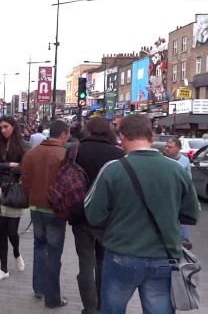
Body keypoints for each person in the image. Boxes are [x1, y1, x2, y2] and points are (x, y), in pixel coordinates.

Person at [85, 115, 200, 314]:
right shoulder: (176, 170)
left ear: (122, 136)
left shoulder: (112, 170)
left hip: (122, 254)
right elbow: (192, 214)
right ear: (151, 135)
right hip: (164, 256)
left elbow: (93, 214)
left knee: (111, 309)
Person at [71, 117, 124, 314]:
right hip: (108, 217)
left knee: (85, 263)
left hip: (80, 212)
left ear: (88, 130)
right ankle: (102, 304)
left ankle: (90, 308)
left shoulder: (75, 150)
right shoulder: (118, 153)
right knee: (104, 261)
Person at [21, 120, 70, 308]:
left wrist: (30, 197)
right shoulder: (64, 155)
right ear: (63, 135)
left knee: (39, 247)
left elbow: (24, 181)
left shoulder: (31, 154)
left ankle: (39, 288)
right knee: (54, 253)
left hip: (35, 208)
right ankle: (53, 297)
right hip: (55, 210)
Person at [0, 116, 28, 282]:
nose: (2, 130)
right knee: (1, 230)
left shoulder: (23, 146)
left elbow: (23, 168)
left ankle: (16, 252)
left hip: (14, 191)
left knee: (12, 232)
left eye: (5, 127)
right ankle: (4, 268)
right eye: (0, 127)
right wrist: (9, 165)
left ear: (13, 127)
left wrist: (3, 166)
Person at [164, 137, 193, 250]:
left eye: (170, 147)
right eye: (166, 146)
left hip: (179, 194)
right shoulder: (162, 159)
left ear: (178, 148)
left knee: (181, 216)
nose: (167, 149)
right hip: (165, 194)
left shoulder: (185, 161)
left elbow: (188, 179)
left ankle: (184, 241)